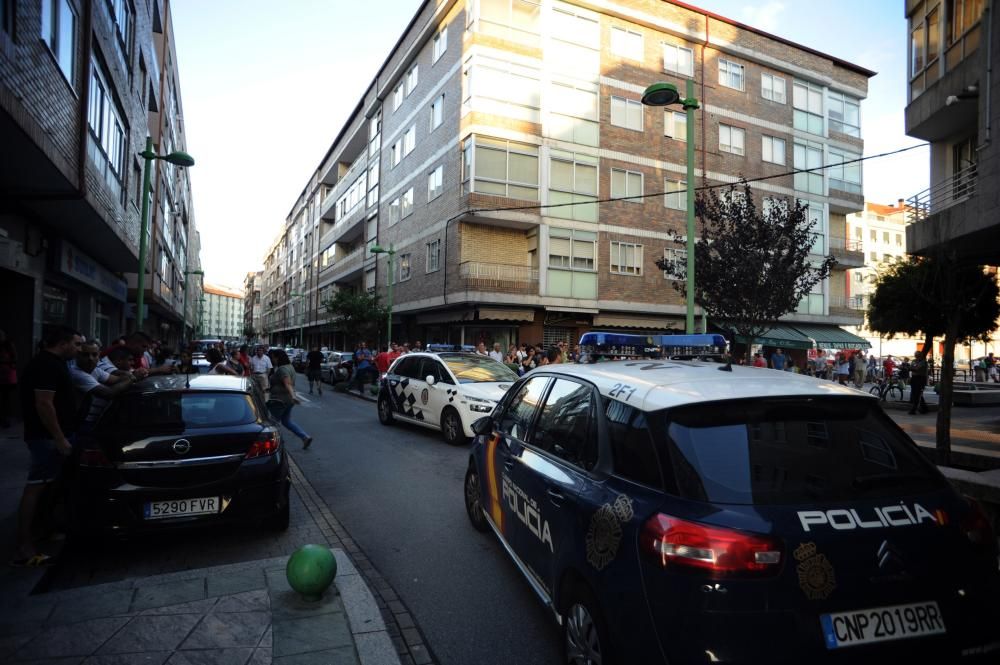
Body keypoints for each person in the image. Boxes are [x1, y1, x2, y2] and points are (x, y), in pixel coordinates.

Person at [13, 326, 83, 567]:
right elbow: (44, 404)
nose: (78, 349)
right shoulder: (45, 365)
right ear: (63, 343)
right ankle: (25, 547)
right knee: (37, 487)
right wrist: (59, 437)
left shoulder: (54, 364)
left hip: (53, 437)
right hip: (46, 438)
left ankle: (43, 530)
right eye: (76, 344)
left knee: (49, 485)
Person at [70, 340, 135, 432]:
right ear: (78, 356)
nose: (90, 358)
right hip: (82, 423)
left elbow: (117, 379)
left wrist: (128, 377)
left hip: (93, 421)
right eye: (86, 355)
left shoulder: (95, 370)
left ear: (99, 355)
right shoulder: (76, 373)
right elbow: (108, 393)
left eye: (94, 355)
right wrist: (132, 378)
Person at [270, 350, 312, 449]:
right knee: (286, 421)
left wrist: (293, 395)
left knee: (272, 423)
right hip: (288, 400)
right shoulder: (290, 367)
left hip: (280, 400)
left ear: (278, 358)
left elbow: (287, 383)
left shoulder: (282, 369)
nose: (272, 359)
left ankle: (276, 445)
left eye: (273, 357)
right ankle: (305, 437)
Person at [0, 328, 17, 428]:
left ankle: (6, 419)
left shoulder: (9, 345)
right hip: (5, 374)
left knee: (5, 399)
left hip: (6, 376)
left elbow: (14, 358)